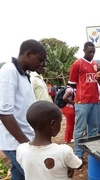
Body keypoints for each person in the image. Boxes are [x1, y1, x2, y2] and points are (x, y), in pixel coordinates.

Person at [0, 39, 47, 179]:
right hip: (16, 143)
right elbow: (4, 112)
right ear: (28, 54)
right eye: (40, 59)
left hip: (24, 139)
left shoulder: (24, 75)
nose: (41, 64)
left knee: (18, 176)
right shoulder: (9, 71)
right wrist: (26, 144)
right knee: (38, 176)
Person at [16, 100, 82, 180]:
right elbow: (78, 165)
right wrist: (68, 165)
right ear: (53, 124)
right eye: (60, 122)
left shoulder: (21, 149)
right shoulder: (64, 151)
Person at [68, 41, 99, 159]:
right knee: (80, 129)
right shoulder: (77, 64)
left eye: (93, 52)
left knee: (93, 128)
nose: (92, 54)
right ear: (84, 50)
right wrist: (77, 99)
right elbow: (71, 84)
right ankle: (78, 154)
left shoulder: (95, 64)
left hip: (95, 101)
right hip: (82, 102)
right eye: (89, 52)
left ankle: (91, 153)